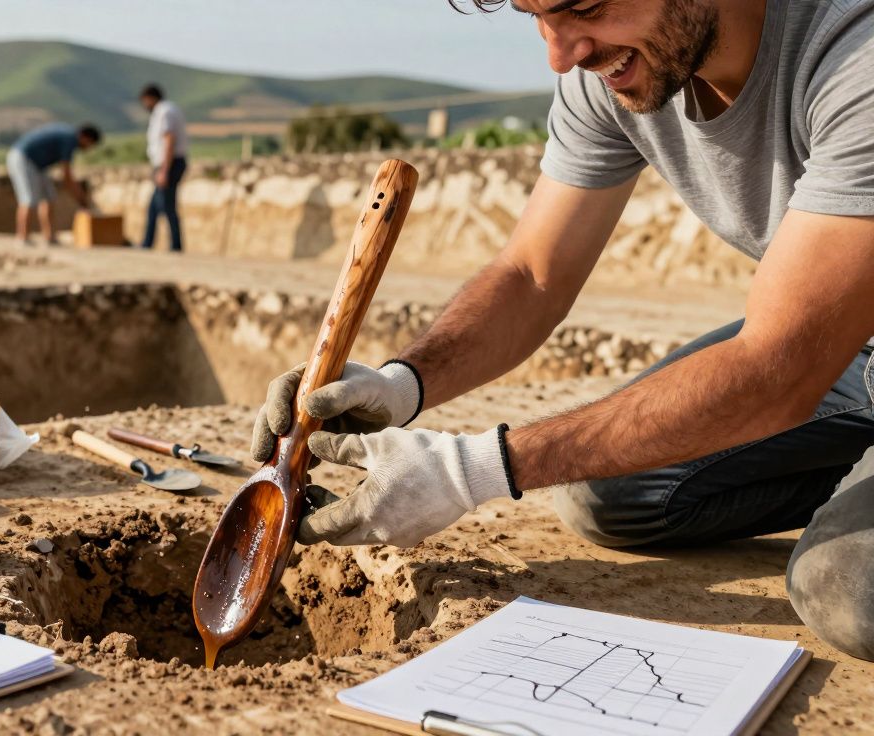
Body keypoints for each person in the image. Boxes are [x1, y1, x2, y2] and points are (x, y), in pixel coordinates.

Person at [251, 0, 874, 661]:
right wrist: (403, 384)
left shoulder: (855, 57)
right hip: (851, 344)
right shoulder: (619, 68)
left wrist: (469, 471)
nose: (560, 53)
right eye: (536, 15)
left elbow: (775, 369)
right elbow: (531, 273)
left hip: (804, 358)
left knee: (847, 590)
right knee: (613, 495)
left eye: (586, 7)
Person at [6, 122, 100, 244]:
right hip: (23, 159)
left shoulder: (68, 135)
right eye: (90, 144)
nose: (88, 148)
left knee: (49, 197)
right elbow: (67, 177)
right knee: (28, 199)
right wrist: (81, 200)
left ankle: (49, 237)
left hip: (38, 165)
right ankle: (22, 237)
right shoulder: (70, 140)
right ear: (84, 137)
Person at [138, 84, 189, 252]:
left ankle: (175, 246)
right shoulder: (166, 110)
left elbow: (169, 140)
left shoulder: (164, 112)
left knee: (167, 206)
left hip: (169, 163)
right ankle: (147, 244)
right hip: (167, 163)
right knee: (154, 206)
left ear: (150, 98)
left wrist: (164, 171)